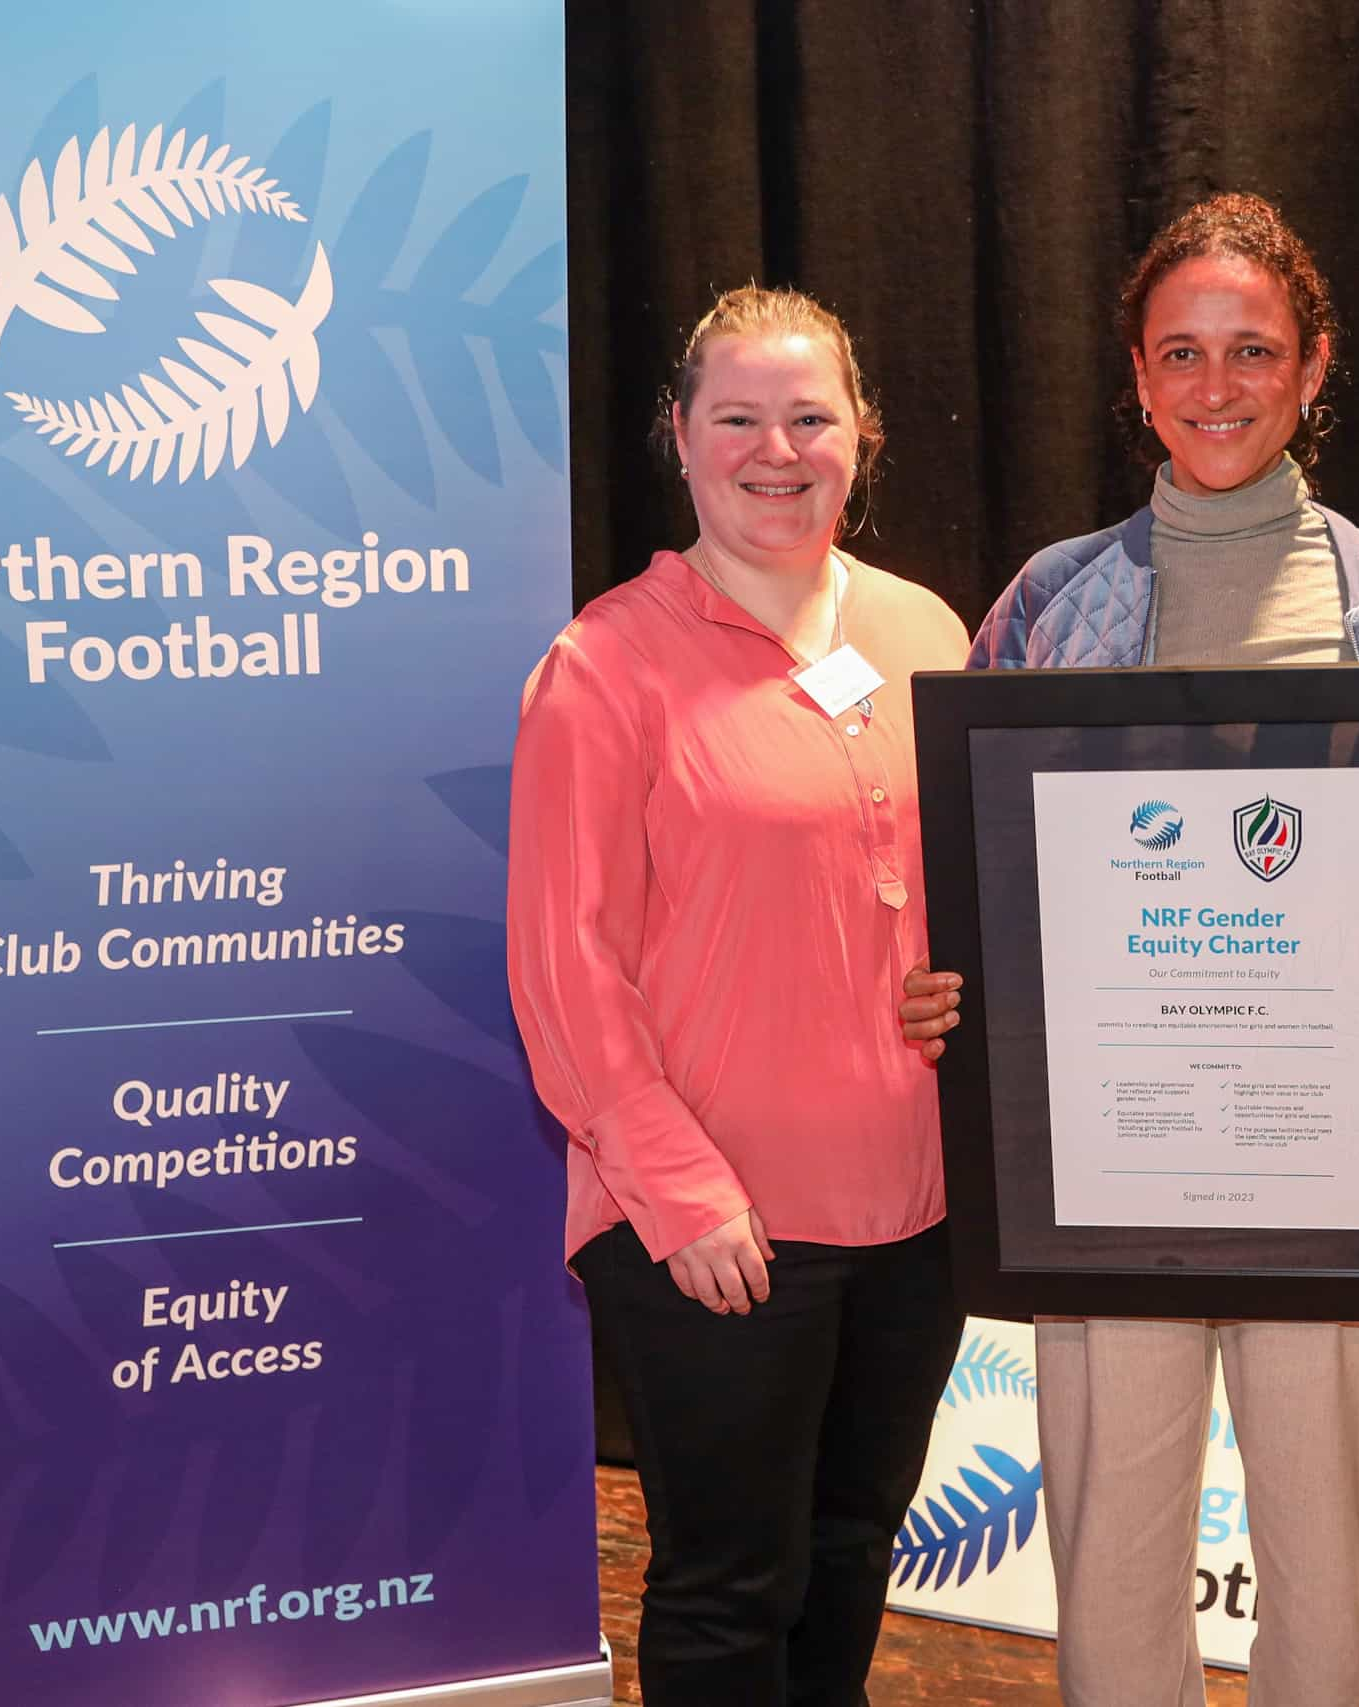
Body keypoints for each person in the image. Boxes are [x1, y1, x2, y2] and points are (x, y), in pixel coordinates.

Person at [900, 192, 1359, 1707]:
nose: (1217, 383)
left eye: (1252, 348)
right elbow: (985, 875)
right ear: (1135, 375)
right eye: (1181, 351)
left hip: (1345, 1170)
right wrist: (950, 991)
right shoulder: (1051, 602)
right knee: (1112, 1567)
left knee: (1331, 1586)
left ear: (1314, 366)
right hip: (1108, 1172)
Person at [507, 284, 967, 1707]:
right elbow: (562, 956)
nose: (779, 448)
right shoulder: (605, 665)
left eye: (811, 415)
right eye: (741, 417)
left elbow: (962, 879)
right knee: (728, 1585)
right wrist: (673, 1183)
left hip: (917, 1209)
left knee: (848, 1554)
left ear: (863, 435)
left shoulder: (927, 634)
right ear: (683, 438)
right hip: (714, 1220)